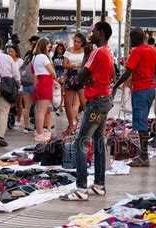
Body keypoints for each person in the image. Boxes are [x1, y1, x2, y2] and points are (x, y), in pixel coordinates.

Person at [60, 21, 114, 201]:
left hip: (96, 101)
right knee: (98, 141)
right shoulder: (108, 52)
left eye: (93, 31)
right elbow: (109, 75)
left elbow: (80, 75)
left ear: (101, 33)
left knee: (80, 143)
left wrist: (86, 57)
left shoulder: (97, 51)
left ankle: (81, 188)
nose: (90, 34)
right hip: (104, 99)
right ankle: (99, 185)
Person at [112, 28, 156, 167]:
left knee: (141, 122)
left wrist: (116, 85)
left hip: (141, 89)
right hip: (150, 88)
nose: (130, 40)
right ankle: (143, 155)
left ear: (135, 38)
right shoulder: (152, 50)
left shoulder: (137, 51)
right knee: (142, 120)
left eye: (131, 37)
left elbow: (128, 71)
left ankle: (144, 157)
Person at [32, 38, 57, 142]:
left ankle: (39, 131)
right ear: (44, 46)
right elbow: (52, 72)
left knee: (39, 110)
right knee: (43, 110)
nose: (49, 47)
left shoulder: (34, 57)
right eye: (48, 46)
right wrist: (55, 75)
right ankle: (40, 133)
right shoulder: (43, 57)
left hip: (39, 82)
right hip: (46, 82)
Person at [63, 33, 86, 133]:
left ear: (82, 43)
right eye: (75, 41)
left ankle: (85, 123)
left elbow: (86, 64)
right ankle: (71, 124)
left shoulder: (85, 51)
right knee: (67, 102)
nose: (76, 43)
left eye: (78, 42)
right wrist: (77, 65)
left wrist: (72, 65)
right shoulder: (68, 50)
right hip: (71, 76)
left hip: (82, 76)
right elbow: (65, 65)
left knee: (83, 102)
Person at [7, 46, 24, 123]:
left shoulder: (20, 61)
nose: (10, 53)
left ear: (16, 53)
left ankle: (18, 119)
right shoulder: (6, 60)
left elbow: (23, 72)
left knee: (18, 101)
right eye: (9, 51)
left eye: (12, 51)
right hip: (8, 83)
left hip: (18, 83)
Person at [52, 43, 66, 114]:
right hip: (56, 75)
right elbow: (53, 66)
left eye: (61, 49)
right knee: (56, 91)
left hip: (62, 75)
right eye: (58, 49)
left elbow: (65, 67)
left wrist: (63, 76)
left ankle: (60, 107)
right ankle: (56, 105)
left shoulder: (64, 57)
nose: (59, 50)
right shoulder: (54, 57)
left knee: (62, 92)